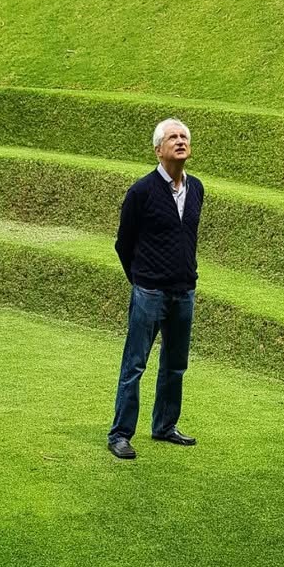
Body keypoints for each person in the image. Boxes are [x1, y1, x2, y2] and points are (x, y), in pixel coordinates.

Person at [107, 118, 205, 460]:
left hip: (184, 291)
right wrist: (141, 280)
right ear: (158, 149)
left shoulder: (196, 189)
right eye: (172, 137)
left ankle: (164, 426)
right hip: (149, 292)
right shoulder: (141, 192)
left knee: (175, 365)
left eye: (184, 137)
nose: (180, 142)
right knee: (135, 364)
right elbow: (124, 243)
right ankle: (120, 434)